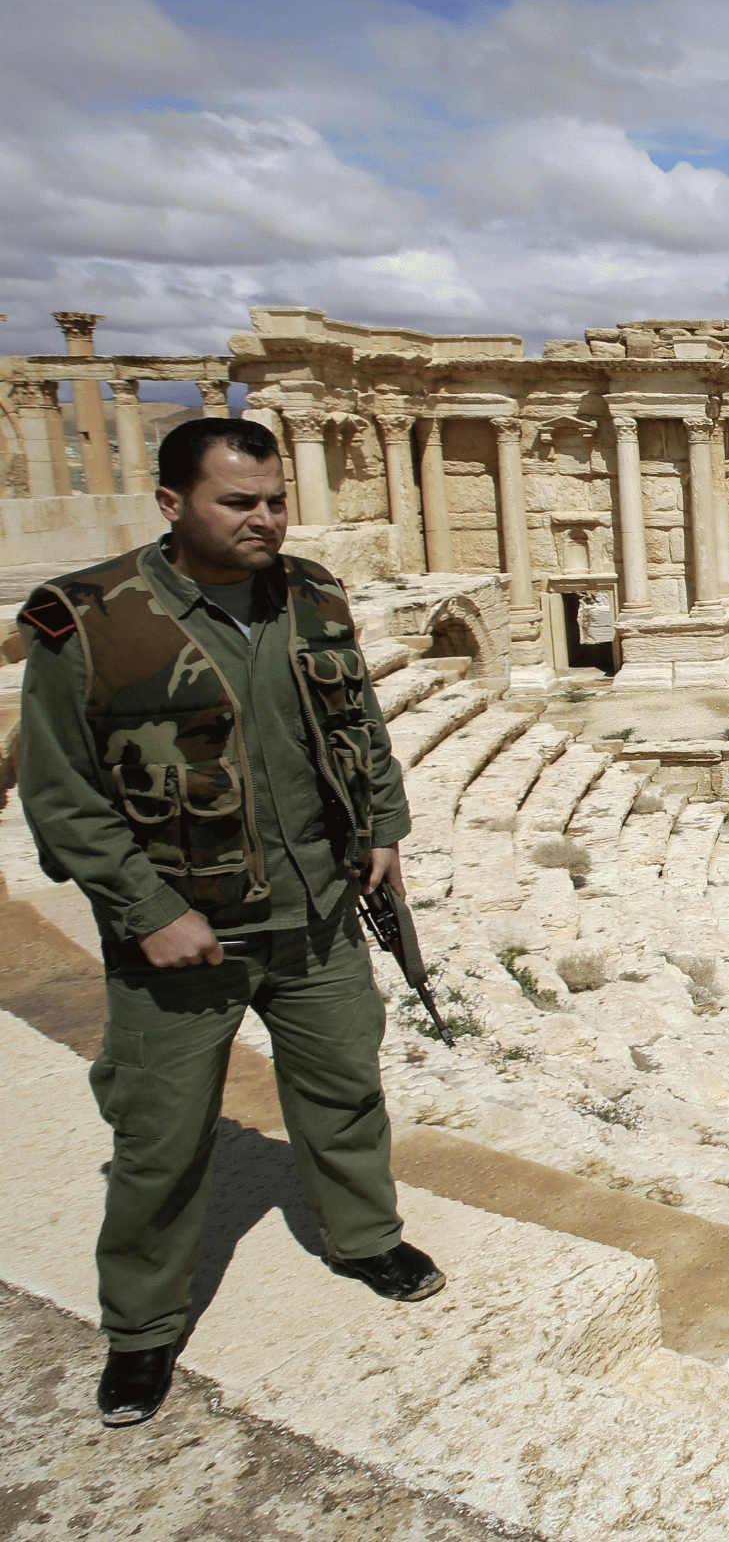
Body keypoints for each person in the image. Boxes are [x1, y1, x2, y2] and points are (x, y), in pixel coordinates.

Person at [13, 416, 444, 1429]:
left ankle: (362, 1237)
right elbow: (60, 793)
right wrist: (147, 910)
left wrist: (382, 827)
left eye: (273, 500)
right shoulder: (93, 620)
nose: (264, 519)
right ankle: (143, 1330)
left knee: (343, 1090)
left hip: (318, 913)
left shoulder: (312, 595)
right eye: (236, 501)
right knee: (160, 1135)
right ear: (172, 504)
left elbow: (358, 727)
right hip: (186, 933)